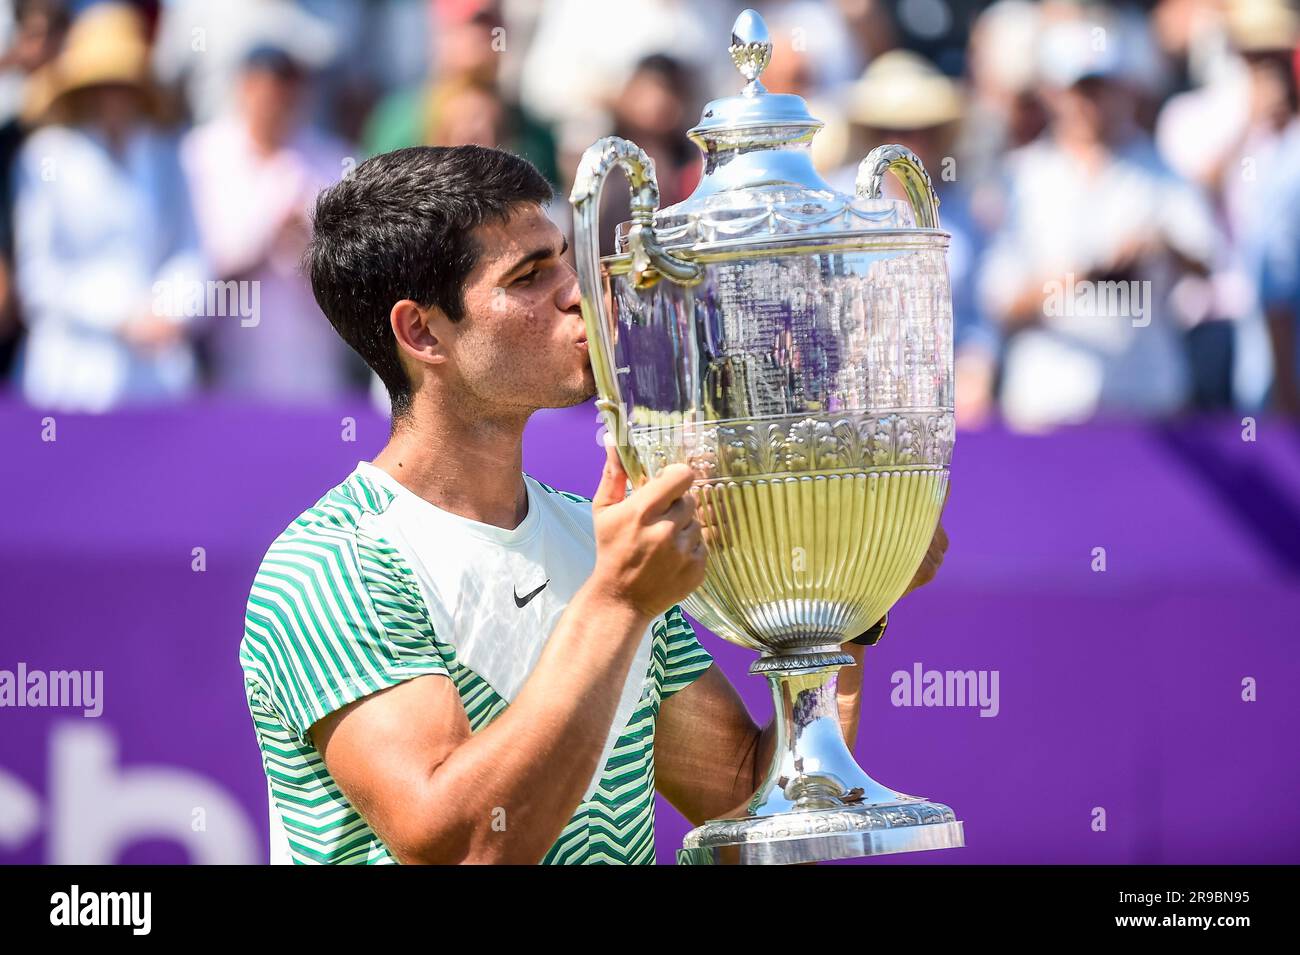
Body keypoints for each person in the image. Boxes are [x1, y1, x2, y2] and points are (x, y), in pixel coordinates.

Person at [238, 145, 948, 864]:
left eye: (564, 260)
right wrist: (616, 603)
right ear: (422, 332)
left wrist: (846, 606)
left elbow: (744, 802)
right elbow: (464, 846)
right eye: (529, 276)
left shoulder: (597, 537)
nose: (578, 292)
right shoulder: (331, 564)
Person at [11, 2, 205, 412]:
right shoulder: (45, 157)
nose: (115, 95)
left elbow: (190, 249)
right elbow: (39, 276)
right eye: (104, 84)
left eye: (124, 83)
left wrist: (167, 311)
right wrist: (119, 317)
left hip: (156, 378)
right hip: (70, 376)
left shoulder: (167, 153)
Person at [182, 42, 359, 404]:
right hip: (224, 369)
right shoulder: (200, 156)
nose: (278, 102)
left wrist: (309, 246)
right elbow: (191, 261)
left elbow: (359, 274)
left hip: (314, 371)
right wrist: (264, 233)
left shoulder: (336, 161)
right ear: (244, 88)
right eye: (268, 89)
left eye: (288, 91)